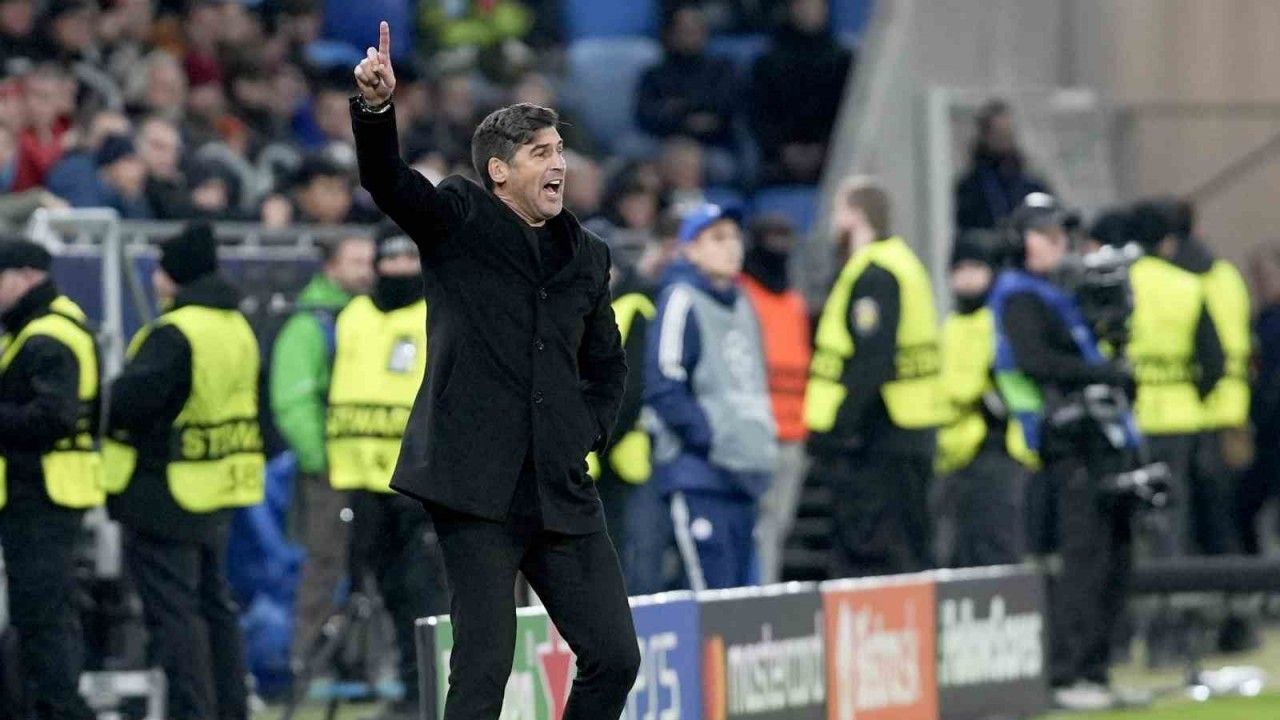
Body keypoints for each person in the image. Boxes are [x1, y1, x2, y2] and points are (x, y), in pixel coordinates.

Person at [351, 22, 639, 719]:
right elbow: (389, 182)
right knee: (483, 667)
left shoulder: (588, 255)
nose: (559, 163)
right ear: (500, 171)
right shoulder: (460, 219)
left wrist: (584, 433)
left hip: (559, 485)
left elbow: (607, 366)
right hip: (476, 486)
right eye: (541, 152)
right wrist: (377, 111)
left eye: (561, 150)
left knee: (615, 656)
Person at [104, 221, 263, 720]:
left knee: (176, 616)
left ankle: (192, 710)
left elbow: (130, 404)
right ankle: (230, 708)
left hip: (165, 490)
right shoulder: (235, 325)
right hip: (216, 486)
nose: (155, 279)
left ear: (175, 275)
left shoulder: (175, 333)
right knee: (216, 609)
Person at [988, 194, 1139, 711]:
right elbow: (1036, 361)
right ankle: (1068, 673)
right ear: (1020, 241)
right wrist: (1103, 373)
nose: (1058, 245)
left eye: (1060, 235)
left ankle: (1095, 669)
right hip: (1064, 444)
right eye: (1046, 235)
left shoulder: (1056, 293)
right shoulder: (1018, 295)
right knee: (1084, 560)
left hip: (1097, 438)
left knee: (1114, 559)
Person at [325, 224, 449, 719]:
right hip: (361, 478)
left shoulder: (436, 313)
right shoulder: (352, 316)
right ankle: (402, 687)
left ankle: (428, 691)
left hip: (417, 480)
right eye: (390, 259)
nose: (399, 268)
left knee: (424, 591)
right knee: (381, 589)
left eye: (408, 258)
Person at [805, 176, 942, 579]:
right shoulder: (904, 263)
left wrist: (838, 427)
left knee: (876, 550)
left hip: (880, 432)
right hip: (910, 424)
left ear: (855, 215)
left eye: (838, 211)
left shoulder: (873, 274)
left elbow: (871, 360)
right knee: (907, 544)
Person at [644, 203, 777, 590]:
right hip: (701, 476)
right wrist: (711, 438)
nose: (732, 246)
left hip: (745, 475)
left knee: (743, 597)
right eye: (717, 238)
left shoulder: (745, 302)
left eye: (735, 237)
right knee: (712, 600)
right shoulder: (680, 299)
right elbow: (665, 384)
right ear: (690, 250)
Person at [0, 238, 100, 720]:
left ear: (23, 277)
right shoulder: (48, 325)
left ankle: (60, 711)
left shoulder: (46, 336)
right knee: (40, 615)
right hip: (44, 490)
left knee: (44, 619)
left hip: (42, 491)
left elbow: (51, 417)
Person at [270, 232, 375, 664]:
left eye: (370, 261)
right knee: (324, 566)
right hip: (332, 470)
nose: (368, 271)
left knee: (370, 569)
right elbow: (292, 401)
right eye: (357, 261)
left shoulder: (371, 316)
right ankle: (307, 663)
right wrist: (322, 459)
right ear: (331, 266)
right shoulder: (309, 324)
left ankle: (364, 662)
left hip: (374, 469)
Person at [1121, 201, 1223, 561]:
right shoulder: (1187, 285)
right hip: (1180, 417)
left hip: (1129, 416)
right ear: (1167, 241)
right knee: (1175, 508)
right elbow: (1213, 360)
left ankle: (1138, 585)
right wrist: (1194, 393)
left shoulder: (1118, 283)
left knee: (1130, 507)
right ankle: (1173, 583)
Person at [934, 230, 1035, 568]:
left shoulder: (1001, 322)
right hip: (953, 454)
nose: (966, 277)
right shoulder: (949, 327)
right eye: (959, 269)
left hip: (996, 447)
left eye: (975, 267)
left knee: (997, 543)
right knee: (957, 552)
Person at [1171, 201, 1250, 556]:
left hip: (1197, 406)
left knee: (1201, 515)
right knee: (1229, 508)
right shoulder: (1227, 275)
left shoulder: (1180, 277)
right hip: (1234, 404)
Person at [740, 215, 811, 583]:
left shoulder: (795, 303)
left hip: (793, 433)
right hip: (758, 434)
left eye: (786, 237)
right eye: (772, 237)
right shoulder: (743, 295)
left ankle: (765, 592)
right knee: (755, 529)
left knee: (778, 529)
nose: (780, 247)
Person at [585, 241, 658, 589]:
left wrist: (597, 437)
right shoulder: (573, 309)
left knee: (629, 553)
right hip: (584, 455)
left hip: (621, 454)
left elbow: (632, 390)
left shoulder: (633, 307)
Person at [750, 0, 853, 184]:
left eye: (816, 5)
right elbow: (760, 113)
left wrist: (824, 147)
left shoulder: (843, 61)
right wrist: (784, 148)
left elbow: (848, 111)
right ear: (791, 9)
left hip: (833, 154)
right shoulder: (768, 62)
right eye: (803, 4)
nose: (810, 10)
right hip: (779, 156)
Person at [634, 4, 738, 181]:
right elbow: (646, 114)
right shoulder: (654, 74)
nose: (691, 35)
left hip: (711, 143)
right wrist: (687, 120)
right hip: (664, 141)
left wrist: (677, 109)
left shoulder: (722, 69)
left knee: (721, 165)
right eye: (684, 30)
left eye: (696, 29)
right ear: (670, 34)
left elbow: (725, 110)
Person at [955, 100, 1052, 232]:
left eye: (1008, 132)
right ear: (986, 136)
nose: (1005, 138)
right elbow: (967, 232)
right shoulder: (971, 187)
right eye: (999, 133)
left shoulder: (1032, 184)